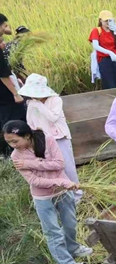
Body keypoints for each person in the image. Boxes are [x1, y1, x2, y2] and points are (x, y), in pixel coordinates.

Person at [3, 121, 92, 264]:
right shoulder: (16, 157)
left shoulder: (47, 140)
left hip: (63, 192)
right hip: (43, 197)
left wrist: (30, 163)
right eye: (8, 142)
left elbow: (59, 164)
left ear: (27, 136)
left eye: (15, 141)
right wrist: (61, 182)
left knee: (70, 223)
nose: (12, 145)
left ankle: (73, 247)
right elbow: (35, 181)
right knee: (53, 232)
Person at [19, 73, 83, 202]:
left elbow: (53, 118)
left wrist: (39, 106)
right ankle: (60, 193)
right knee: (52, 167)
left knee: (67, 166)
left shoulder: (55, 100)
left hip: (60, 137)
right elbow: (30, 122)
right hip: (42, 140)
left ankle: (77, 195)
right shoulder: (31, 103)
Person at [0, 13, 26, 158]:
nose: (6, 29)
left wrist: (5, 29)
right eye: (4, 25)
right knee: (11, 120)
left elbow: (8, 31)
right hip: (5, 95)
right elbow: (3, 74)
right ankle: (13, 152)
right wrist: (15, 93)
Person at [89, 10, 116, 89]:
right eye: (106, 21)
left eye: (110, 20)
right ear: (100, 20)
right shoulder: (97, 30)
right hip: (104, 59)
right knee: (109, 83)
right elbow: (96, 46)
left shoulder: (114, 30)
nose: (108, 22)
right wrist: (109, 53)